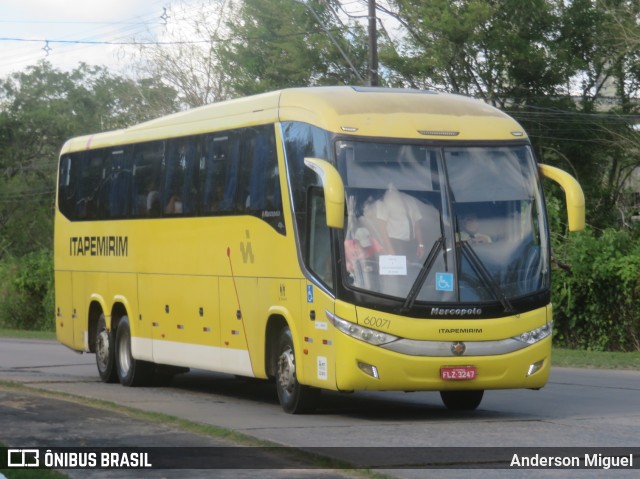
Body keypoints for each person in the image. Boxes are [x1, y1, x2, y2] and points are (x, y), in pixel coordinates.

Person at [374, 184, 427, 259]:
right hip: (396, 244)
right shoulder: (386, 198)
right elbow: (382, 226)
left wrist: (420, 244)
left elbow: (417, 224)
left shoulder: (411, 199)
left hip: (412, 243)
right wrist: (389, 247)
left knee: (416, 269)